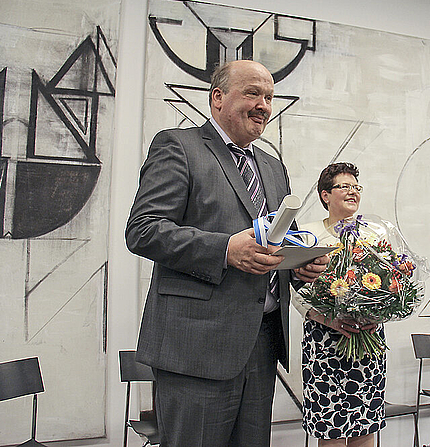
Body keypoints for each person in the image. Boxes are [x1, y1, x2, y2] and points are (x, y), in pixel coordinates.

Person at [125, 60, 328, 447]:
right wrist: (225, 249)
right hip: (196, 349)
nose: (264, 105)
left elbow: (274, 238)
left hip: (263, 343)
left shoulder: (272, 167)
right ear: (217, 98)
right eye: (252, 93)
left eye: (269, 96)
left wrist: (301, 263)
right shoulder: (178, 147)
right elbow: (144, 230)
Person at [293, 162, 385, 447]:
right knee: (330, 428)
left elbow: (391, 282)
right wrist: (328, 319)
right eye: (344, 186)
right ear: (325, 195)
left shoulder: (377, 234)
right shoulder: (307, 234)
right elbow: (295, 289)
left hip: (367, 337)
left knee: (364, 425)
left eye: (356, 187)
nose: (352, 192)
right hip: (323, 340)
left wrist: (379, 315)